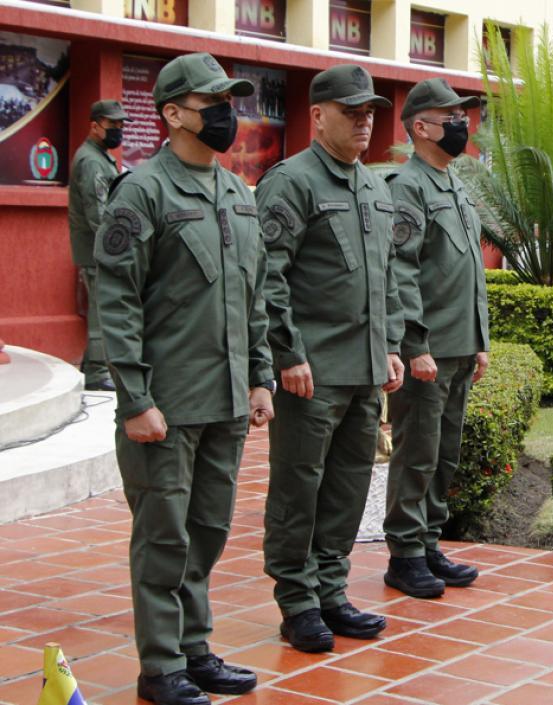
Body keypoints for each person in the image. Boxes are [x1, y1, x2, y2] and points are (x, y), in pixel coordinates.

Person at [94, 52, 272, 705]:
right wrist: (135, 397)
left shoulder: (235, 192)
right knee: (164, 534)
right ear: (172, 113)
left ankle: (194, 646)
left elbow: (254, 295)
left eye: (231, 102)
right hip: (165, 403)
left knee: (208, 529)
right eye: (212, 103)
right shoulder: (142, 191)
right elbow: (116, 299)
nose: (227, 115)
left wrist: (259, 376)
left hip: (225, 400)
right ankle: (160, 664)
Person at [256, 64, 403, 653]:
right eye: (352, 112)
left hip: (365, 370)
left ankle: (332, 590)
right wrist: (286, 353)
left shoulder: (372, 185)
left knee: (346, 485)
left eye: (370, 113)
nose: (364, 122)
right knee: (299, 486)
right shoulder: (291, 182)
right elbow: (268, 277)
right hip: (311, 372)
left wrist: (392, 345)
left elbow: (386, 276)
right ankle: (296, 602)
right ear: (318, 116)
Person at [382, 77, 487, 596]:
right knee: (417, 451)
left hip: (460, 345)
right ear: (420, 127)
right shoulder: (408, 187)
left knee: (444, 453)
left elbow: (470, 271)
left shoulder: (454, 184)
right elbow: (401, 272)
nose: (461, 125)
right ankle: (403, 553)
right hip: (428, 350)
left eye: (461, 117)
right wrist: (414, 346)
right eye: (450, 117)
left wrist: (480, 338)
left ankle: (427, 541)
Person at [68, 99, 129, 391]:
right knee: (100, 311)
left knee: (101, 308)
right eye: (112, 125)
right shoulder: (92, 160)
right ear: (95, 126)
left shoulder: (99, 156)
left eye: (120, 125)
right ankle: (96, 372)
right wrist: (118, 250)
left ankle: (94, 366)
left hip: (98, 250)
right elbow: (99, 214)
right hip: (98, 252)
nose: (118, 130)